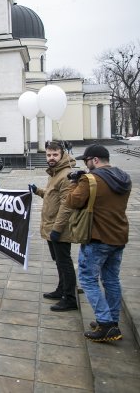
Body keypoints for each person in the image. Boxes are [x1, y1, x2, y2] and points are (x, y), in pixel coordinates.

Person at [66, 144, 131, 341]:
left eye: (86, 161)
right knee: (111, 280)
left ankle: (105, 323)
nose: (85, 165)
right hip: (118, 235)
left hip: (98, 236)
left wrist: (75, 182)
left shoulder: (91, 179)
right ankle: (112, 320)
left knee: (87, 279)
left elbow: (72, 201)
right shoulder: (123, 178)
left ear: (94, 160)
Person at [30, 141, 77, 311]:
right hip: (51, 226)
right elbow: (52, 196)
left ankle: (70, 298)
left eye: (55, 155)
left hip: (59, 228)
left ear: (62, 154)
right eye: (49, 155)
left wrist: (57, 229)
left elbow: (67, 205)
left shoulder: (66, 175)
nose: (51, 158)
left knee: (64, 262)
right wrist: (37, 191)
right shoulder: (54, 173)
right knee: (58, 261)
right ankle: (61, 290)